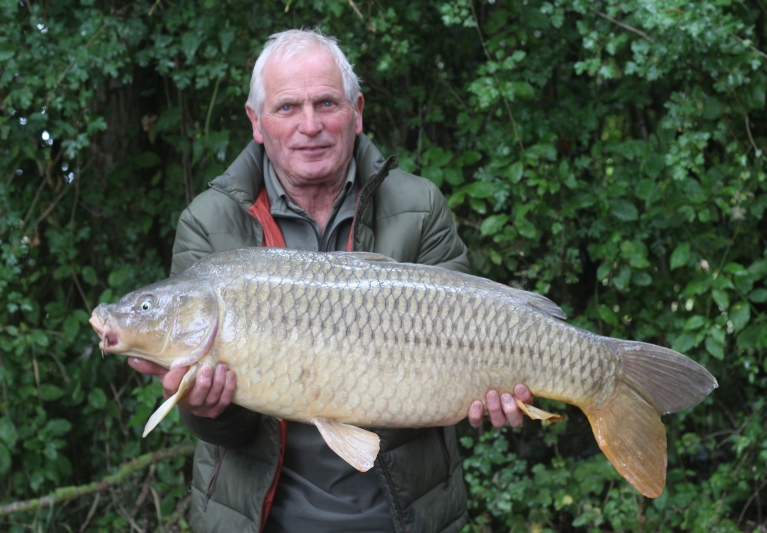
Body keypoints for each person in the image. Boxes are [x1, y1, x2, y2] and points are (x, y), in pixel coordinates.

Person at [129, 29, 532, 533]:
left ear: (357, 112)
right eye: (287, 108)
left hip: (408, 515)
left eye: (326, 103)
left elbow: (463, 345)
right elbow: (221, 430)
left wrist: (491, 391)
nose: (310, 125)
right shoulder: (210, 222)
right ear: (257, 122)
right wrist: (206, 409)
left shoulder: (419, 205)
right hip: (261, 520)